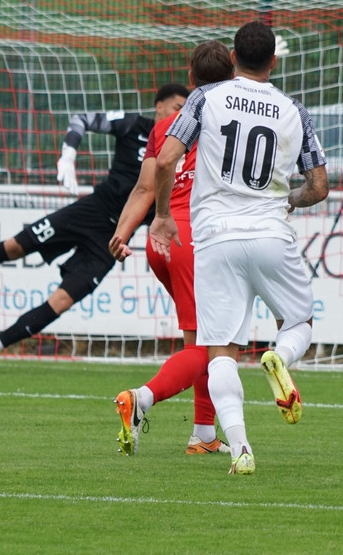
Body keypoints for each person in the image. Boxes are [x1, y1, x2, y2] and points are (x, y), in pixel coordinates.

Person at [149, 21, 329, 475]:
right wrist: (287, 199)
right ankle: (280, 357)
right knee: (299, 321)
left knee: (220, 349)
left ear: (233, 58)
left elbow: (167, 158)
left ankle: (242, 448)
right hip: (269, 232)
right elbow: (320, 186)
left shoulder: (206, 98)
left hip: (215, 237)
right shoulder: (293, 109)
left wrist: (164, 215)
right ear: (273, 61)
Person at [0, 83, 190, 375]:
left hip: (113, 238)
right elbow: (82, 119)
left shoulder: (181, 147)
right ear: (159, 106)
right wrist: (68, 154)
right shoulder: (133, 125)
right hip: (90, 212)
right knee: (14, 247)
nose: (180, 114)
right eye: (177, 107)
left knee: (62, 300)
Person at [108, 40, 234, 457]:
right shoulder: (232, 118)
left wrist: (123, 231)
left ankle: (202, 433)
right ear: (233, 76)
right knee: (212, 346)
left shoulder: (167, 125)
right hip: (195, 239)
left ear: (192, 78)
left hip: (160, 241)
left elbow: (146, 185)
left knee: (200, 336)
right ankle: (141, 398)